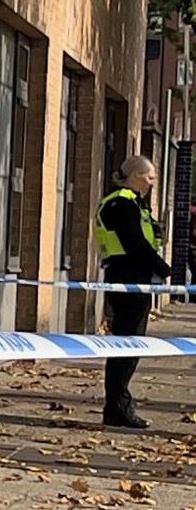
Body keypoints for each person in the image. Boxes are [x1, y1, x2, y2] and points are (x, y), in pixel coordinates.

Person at [93, 155, 171, 429]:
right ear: (136, 175)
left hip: (133, 278)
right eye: (149, 177)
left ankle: (118, 405)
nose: (152, 183)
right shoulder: (122, 203)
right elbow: (135, 242)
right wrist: (164, 269)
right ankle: (117, 408)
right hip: (127, 278)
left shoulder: (131, 203)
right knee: (126, 347)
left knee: (129, 347)